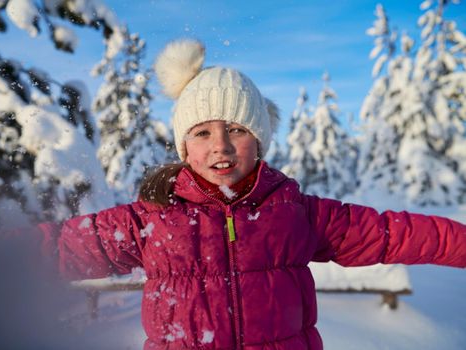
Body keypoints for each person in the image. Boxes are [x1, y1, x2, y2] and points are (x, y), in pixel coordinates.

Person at [38, 39, 466, 350]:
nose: (220, 145)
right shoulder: (150, 220)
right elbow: (58, 247)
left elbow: (392, 233)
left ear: (259, 142)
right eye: (203, 132)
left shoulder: (297, 213)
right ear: (185, 147)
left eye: (237, 130)